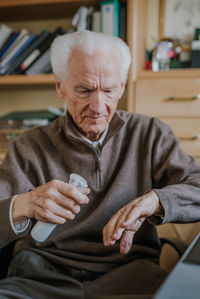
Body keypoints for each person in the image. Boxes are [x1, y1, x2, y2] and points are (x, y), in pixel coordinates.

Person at [0, 30, 200, 299]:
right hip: (40, 279)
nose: (98, 106)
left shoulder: (150, 134)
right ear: (60, 86)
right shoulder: (28, 146)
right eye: (84, 90)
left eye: (109, 90)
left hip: (130, 276)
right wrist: (23, 205)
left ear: (123, 86)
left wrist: (156, 200)